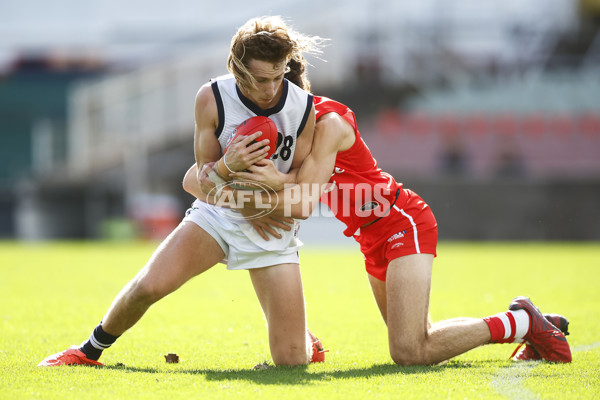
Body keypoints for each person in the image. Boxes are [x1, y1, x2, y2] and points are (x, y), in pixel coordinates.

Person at [183, 64, 572, 365]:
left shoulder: (326, 124)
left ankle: (522, 321)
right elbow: (193, 179)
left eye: (278, 93)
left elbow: (304, 194)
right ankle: (536, 325)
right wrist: (221, 176)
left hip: (401, 222)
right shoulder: (282, 132)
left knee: (410, 351)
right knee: (419, 339)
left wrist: (254, 187)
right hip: (371, 236)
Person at [38, 16, 327, 368]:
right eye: (261, 79)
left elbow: (300, 180)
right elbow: (202, 179)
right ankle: (88, 350)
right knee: (149, 287)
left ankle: (302, 340)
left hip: (271, 223)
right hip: (218, 215)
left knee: (293, 361)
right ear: (238, 71)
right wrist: (228, 166)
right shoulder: (212, 98)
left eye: (278, 77)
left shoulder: (303, 107)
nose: (270, 89)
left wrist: (266, 196)